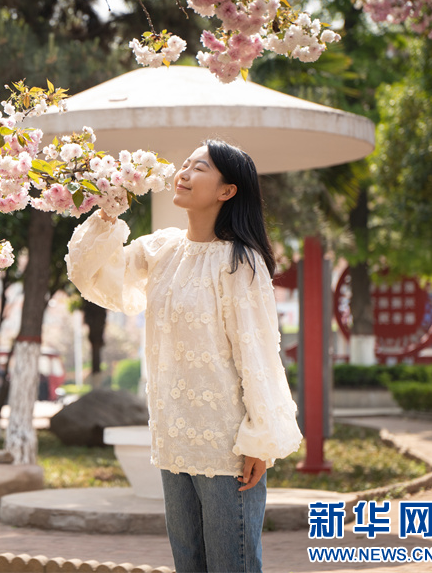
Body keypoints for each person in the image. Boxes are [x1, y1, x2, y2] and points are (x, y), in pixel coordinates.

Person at [66, 140, 302, 573]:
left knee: (232, 564)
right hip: (173, 439)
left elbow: (258, 353)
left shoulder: (241, 261)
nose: (184, 173)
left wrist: (260, 440)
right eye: (185, 164)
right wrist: (107, 213)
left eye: (200, 167)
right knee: (188, 564)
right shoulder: (162, 249)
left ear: (227, 191)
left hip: (227, 444)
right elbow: (93, 276)